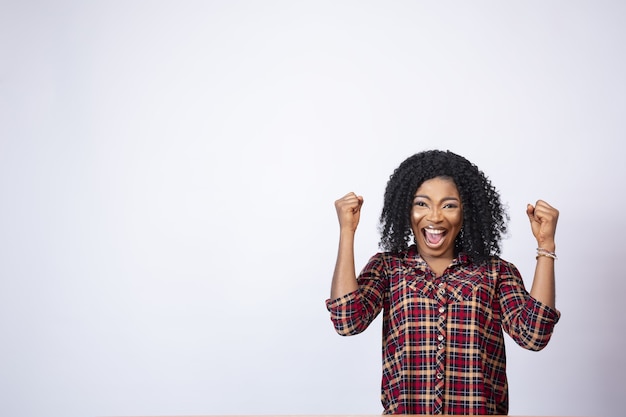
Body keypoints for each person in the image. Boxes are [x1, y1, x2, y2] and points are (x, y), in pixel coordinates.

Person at [326, 150, 560, 415]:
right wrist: (347, 231)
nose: (435, 217)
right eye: (422, 204)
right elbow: (347, 321)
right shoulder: (387, 269)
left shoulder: (495, 272)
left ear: (466, 212)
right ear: (406, 209)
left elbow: (535, 336)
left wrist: (545, 246)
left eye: (449, 205)